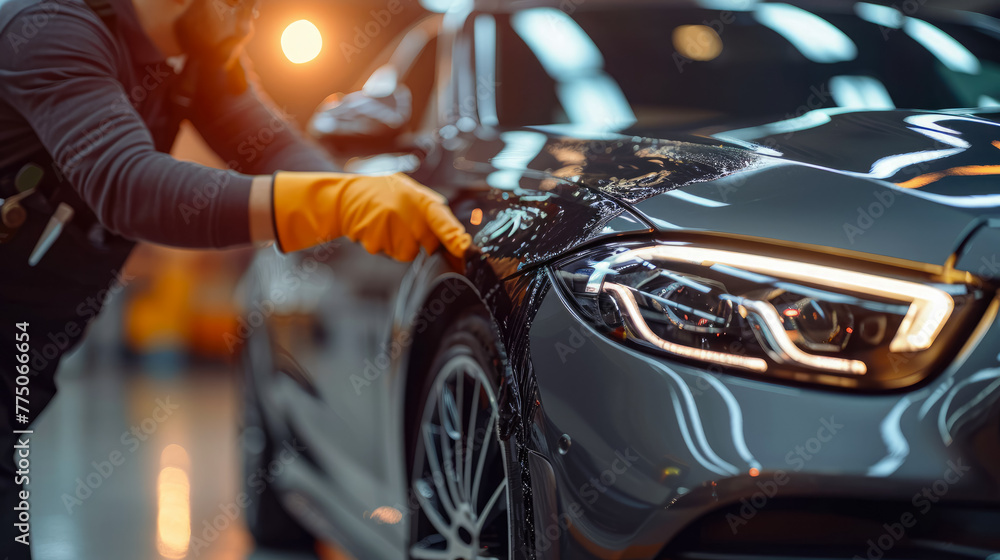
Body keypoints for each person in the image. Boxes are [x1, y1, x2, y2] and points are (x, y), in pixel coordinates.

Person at [0, 0, 471, 556]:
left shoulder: (195, 57)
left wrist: (363, 192)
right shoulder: (49, 29)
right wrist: (335, 202)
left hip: (26, 347)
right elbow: (129, 186)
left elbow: (279, 154)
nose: (253, 15)